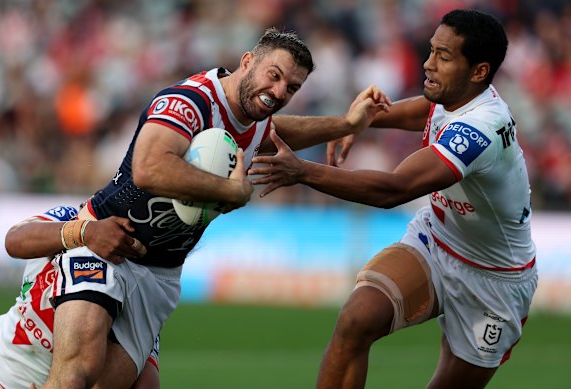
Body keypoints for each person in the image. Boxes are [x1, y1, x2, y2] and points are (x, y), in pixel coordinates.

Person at [42, 27, 390, 388]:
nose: (279, 92)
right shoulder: (190, 101)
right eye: (275, 75)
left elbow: (282, 131)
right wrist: (230, 191)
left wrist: (347, 125)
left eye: (292, 87)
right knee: (77, 373)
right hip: (105, 242)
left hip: (160, 275)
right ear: (247, 62)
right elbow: (149, 168)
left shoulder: (255, 119)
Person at [249, 9, 537, 389]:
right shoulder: (461, 95)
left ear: (479, 71)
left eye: (443, 57)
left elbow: (394, 190)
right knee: (357, 318)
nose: (428, 64)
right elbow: (427, 109)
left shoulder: (481, 130)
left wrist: (302, 171)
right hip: (437, 241)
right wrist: (361, 120)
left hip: (496, 279)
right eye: (432, 50)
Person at [0, 205, 159, 388]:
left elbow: (145, 378)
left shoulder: (140, 287)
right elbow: (14, 240)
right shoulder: (72, 217)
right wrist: (84, 232)